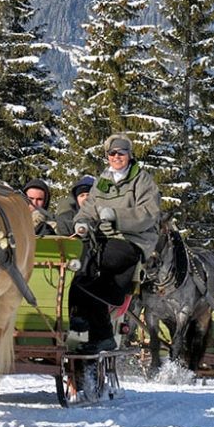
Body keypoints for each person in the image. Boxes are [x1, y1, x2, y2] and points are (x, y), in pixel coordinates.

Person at [68, 134, 161, 354]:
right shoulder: (103, 180)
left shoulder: (142, 180)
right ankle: (96, 330)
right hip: (101, 239)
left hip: (132, 241)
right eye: (112, 153)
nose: (116, 157)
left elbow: (149, 213)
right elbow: (89, 207)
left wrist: (116, 216)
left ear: (130, 154)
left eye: (121, 152)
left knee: (96, 260)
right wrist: (82, 222)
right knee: (78, 268)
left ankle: (84, 315)